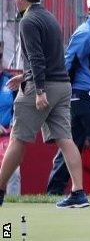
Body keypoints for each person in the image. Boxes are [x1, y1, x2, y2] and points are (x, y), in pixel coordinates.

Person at [0, 0, 88, 208]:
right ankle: (79, 192)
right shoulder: (49, 16)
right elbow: (50, 57)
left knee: (18, 139)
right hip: (62, 85)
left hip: (43, 87)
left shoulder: (29, 21)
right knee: (65, 139)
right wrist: (25, 76)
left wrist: (38, 89)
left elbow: (38, 59)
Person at [46, 0, 90, 195]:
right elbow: (68, 62)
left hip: (81, 97)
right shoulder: (87, 33)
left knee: (70, 144)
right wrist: (63, 94)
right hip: (85, 96)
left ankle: (54, 191)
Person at [0, 42, 19, 195]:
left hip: (7, 137)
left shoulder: (10, 80)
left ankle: (15, 207)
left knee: (14, 174)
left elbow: (18, 109)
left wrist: (13, 125)